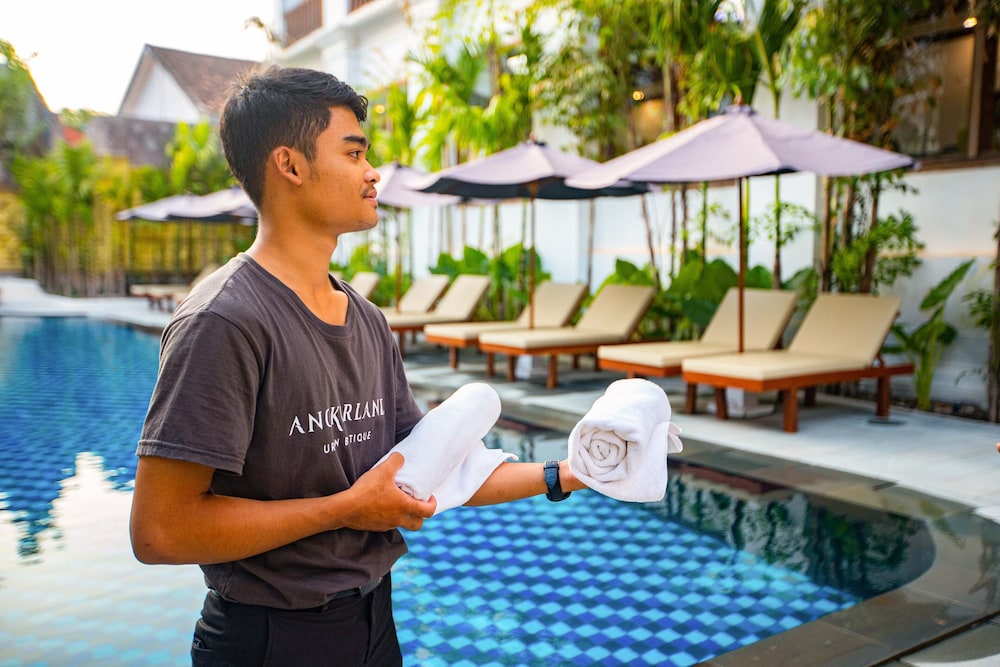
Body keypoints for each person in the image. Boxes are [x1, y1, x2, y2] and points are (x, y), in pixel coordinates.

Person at [128, 65, 585, 666]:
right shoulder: (225, 322)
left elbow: (432, 467)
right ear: (290, 165)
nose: (373, 172)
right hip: (270, 641)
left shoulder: (366, 319)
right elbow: (159, 531)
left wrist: (570, 472)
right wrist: (344, 509)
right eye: (354, 153)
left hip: (372, 624)